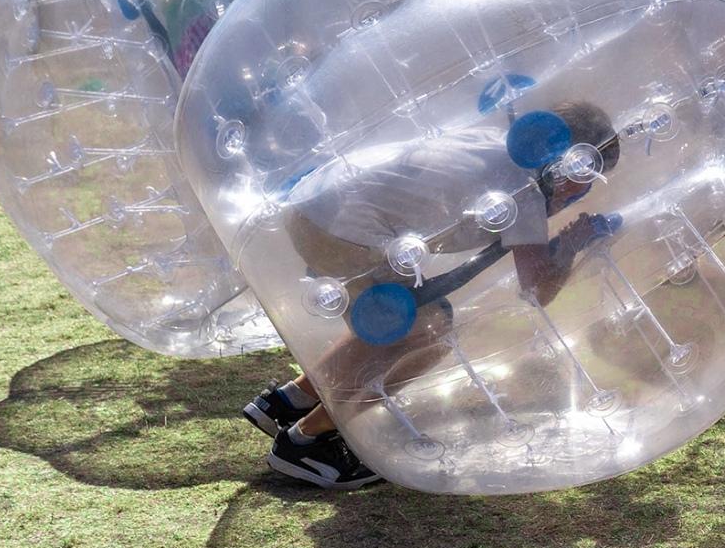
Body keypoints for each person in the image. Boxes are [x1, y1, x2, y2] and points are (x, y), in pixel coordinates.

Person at [239, 101, 623, 489]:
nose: (584, 189)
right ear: (568, 159)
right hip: (341, 229)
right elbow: (537, 288)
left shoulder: (492, 144)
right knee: (427, 331)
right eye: (587, 174)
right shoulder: (522, 189)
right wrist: (572, 244)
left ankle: (288, 402)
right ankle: (307, 442)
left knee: (402, 316)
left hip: (315, 207)